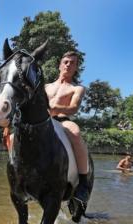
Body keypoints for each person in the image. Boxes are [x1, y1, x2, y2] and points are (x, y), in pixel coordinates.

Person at [45, 51, 91, 214]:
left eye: (72, 63)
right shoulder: (46, 87)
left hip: (63, 121)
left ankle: (83, 183)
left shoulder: (77, 88)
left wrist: (55, 109)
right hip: (43, 122)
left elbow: (74, 108)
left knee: (76, 132)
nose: (68, 65)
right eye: (65, 61)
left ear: (76, 67)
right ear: (59, 65)